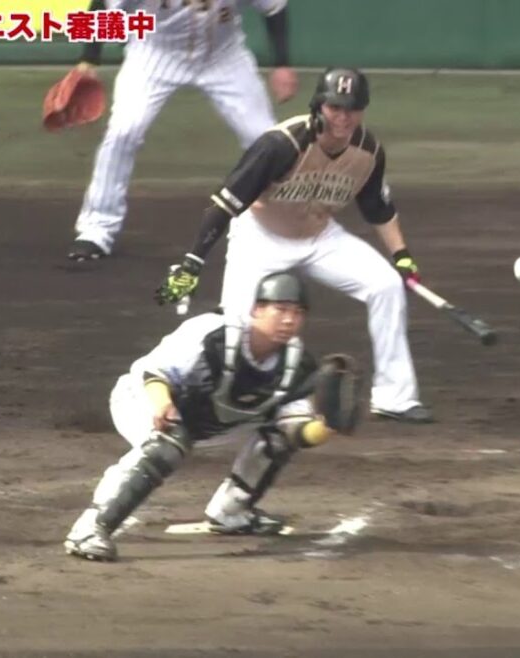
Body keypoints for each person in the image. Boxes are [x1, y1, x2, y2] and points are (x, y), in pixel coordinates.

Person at [153, 66, 434, 424]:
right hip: (259, 237)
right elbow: (224, 204)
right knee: (235, 327)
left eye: (352, 109)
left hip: (320, 237)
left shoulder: (368, 152)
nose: (343, 117)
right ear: (319, 106)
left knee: (386, 285)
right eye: (335, 107)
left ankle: (395, 397)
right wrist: (193, 262)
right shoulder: (281, 144)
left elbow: (379, 209)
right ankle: (182, 390)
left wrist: (403, 257)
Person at [65, 270, 361, 562]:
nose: (289, 320)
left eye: (297, 313)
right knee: (168, 442)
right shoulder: (214, 333)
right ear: (257, 310)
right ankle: (90, 527)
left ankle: (232, 512)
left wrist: (325, 428)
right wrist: (163, 404)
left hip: (208, 423)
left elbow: (292, 428)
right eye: (280, 309)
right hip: (141, 398)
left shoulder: (296, 365)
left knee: (277, 436)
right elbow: (154, 372)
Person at [66, 0, 299, 261]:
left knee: (265, 140)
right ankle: (96, 230)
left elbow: (274, 7)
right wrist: (88, 61)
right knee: (123, 132)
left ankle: (285, 223)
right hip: (154, 54)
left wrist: (282, 64)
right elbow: (103, 6)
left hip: (224, 57)